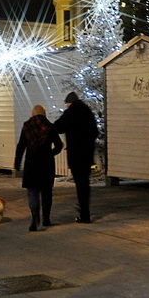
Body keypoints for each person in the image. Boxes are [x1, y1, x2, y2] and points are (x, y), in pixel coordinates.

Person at [14, 105, 63, 231]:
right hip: (46, 164)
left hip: (31, 164)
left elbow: (21, 146)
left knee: (32, 190)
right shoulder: (50, 126)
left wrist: (17, 164)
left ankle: (35, 217)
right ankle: (46, 218)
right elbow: (59, 145)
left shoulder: (27, 126)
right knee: (46, 192)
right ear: (44, 114)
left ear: (32, 114)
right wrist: (51, 153)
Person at [52, 91, 98, 223]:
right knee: (85, 183)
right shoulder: (87, 112)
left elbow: (57, 127)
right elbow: (95, 132)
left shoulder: (70, 113)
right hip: (87, 154)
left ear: (69, 103)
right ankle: (84, 210)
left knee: (80, 184)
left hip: (76, 154)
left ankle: (84, 213)